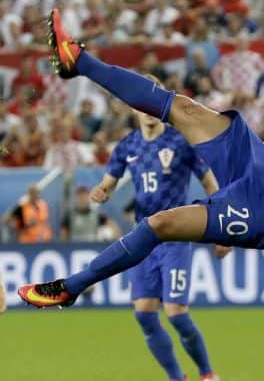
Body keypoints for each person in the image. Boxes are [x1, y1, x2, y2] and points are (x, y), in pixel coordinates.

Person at [20, 9, 264, 359]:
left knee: (160, 224)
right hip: (262, 172)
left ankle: (68, 288)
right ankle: (79, 61)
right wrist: (230, 156)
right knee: (186, 109)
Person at [90, 91, 224, 381]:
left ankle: (208, 373)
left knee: (176, 312)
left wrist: (222, 230)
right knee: (144, 314)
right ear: (135, 110)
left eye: (154, 106)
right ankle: (177, 377)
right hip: (143, 240)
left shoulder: (180, 142)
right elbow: (109, 182)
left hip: (175, 236)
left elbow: (211, 184)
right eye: (143, 105)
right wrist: (102, 191)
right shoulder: (128, 146)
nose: (149, 111)